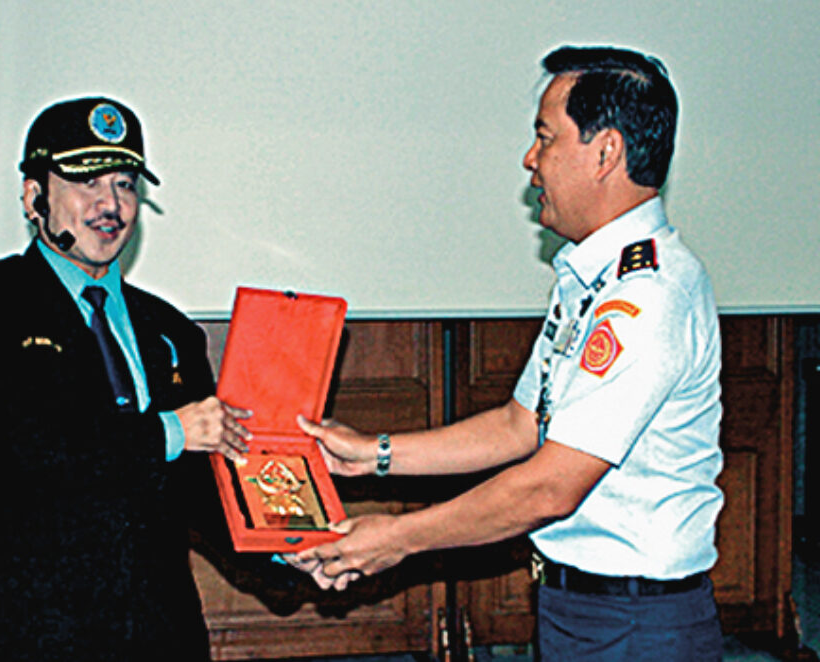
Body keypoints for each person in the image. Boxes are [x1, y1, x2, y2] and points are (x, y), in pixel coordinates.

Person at [291, 46, 725, 661]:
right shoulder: (592, 280)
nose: (530, 159)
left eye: (545, 138)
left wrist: (398, 538)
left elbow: (550, 488)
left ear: (605, 153)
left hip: (635, 624)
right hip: (578, 606)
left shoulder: (648, 295)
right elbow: (519, 425)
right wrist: (374, 454)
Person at [0, 96, 253, 661]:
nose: (111, 204)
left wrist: (284, 546)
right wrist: (170, 431)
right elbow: (14, 447)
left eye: (126, 184)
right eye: (88, 182)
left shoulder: (170, 329)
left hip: (158, 637)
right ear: (34, 197)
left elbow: (197, 487)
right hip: (25, 638)